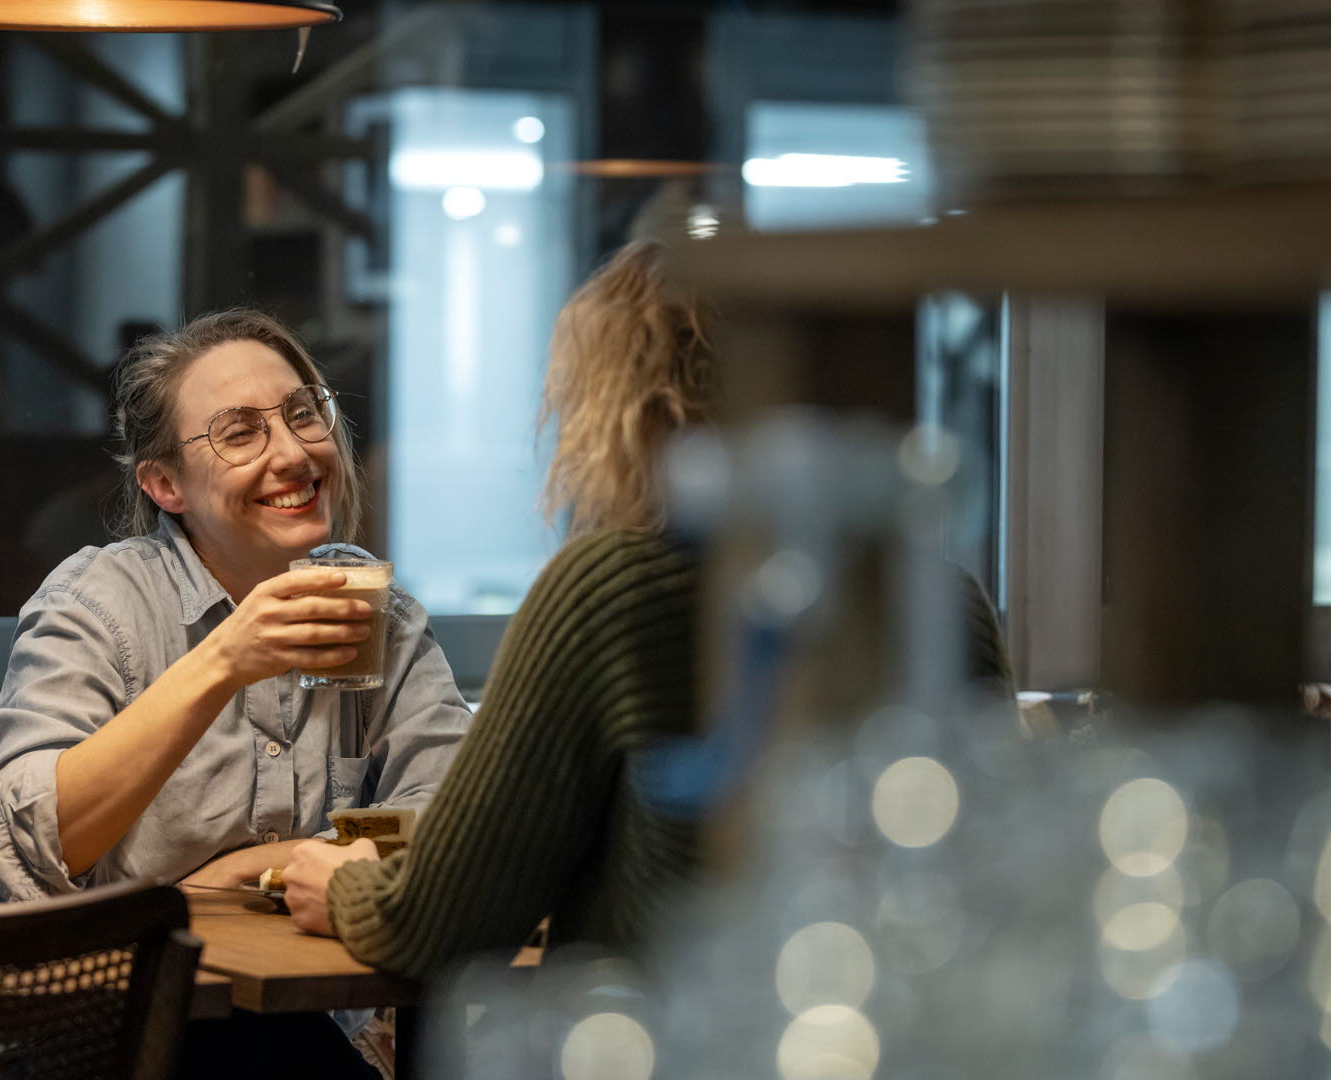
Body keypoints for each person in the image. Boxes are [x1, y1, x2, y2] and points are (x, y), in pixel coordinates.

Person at [281, 238, 1011, 977]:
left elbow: (437, 921)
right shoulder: (952, 602)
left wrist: (344, 887)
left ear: (614, 402)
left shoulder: (608, 588)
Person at [0, 308, 470, 903]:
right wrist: (223, 661)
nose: (292, 455)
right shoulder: (99, 601)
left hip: (320, 983)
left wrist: (270, 863)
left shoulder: (381, 617)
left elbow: (454, 813)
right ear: (166, 486)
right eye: (240, 434)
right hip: (143, 985)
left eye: (303, 415)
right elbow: (21, 842)